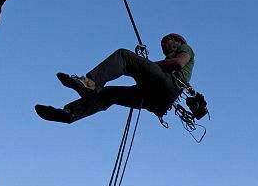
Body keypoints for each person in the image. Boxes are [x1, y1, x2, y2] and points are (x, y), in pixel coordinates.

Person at [35, 33, 195, 125]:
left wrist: (145, 64)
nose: (164, 46)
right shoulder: (165, 65)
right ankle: (70, 113)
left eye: (166, 42)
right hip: (156, 100)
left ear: (178, 42)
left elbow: (178, 63)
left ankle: (90, 83)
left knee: (124, 56)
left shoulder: (184, 49)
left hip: (167, 87)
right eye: (163, 44)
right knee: (109, 94)